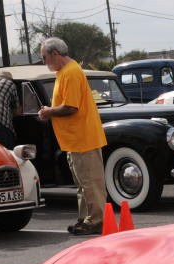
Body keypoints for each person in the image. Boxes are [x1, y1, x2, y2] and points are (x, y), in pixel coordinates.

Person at [37, 37, 108, 236]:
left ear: (55, 54)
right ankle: (86, 219)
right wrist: (51, 110)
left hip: (82, 138)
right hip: (75, 140)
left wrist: (48, 112)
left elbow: (70, 107)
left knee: (90, 183)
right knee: (83, 184)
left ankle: (96, 220)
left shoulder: (71, 73)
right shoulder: (64, 72)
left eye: (44, 57)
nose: (44, 61)